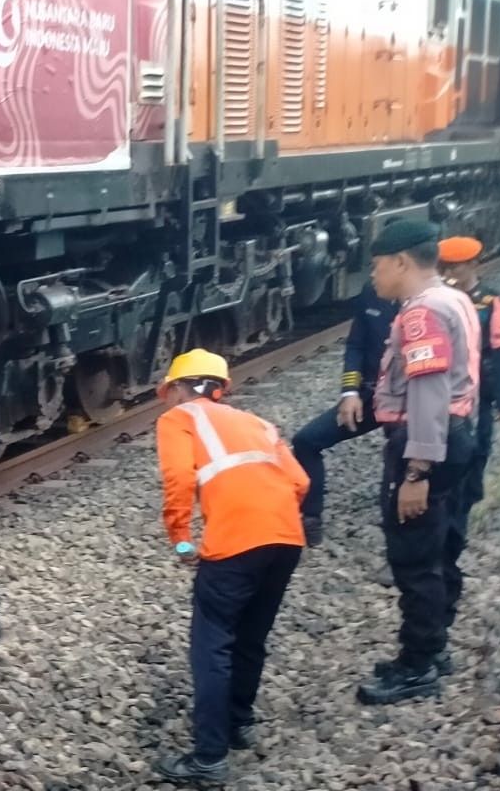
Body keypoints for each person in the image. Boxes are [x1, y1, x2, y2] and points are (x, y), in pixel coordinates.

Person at [149, 349, 309, 784]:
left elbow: (180, 478)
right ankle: (239, 723)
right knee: (250, 636)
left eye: (168, 392)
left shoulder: (179, 419)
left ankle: (208, 759)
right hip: (286, 538)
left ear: (181, 388)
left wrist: (181, 539)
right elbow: (300, 481)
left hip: (237, 542)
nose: (166, 401)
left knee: (212, 645)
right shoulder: (257, 422)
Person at [356, 219, 479, 706]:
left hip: (426, 441)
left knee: (414, 558)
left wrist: (415, 472)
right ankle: (434, 647)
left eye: (376, 265)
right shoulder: (455, 299)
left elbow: (428, 392)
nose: (373, 276)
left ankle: (418, 664)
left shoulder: (420, 314)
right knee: (439, 545)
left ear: (401, 261)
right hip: (457, 436)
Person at [290, 283, 398, 545]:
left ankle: (397, 542)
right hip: (369, 396)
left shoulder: (429, 301)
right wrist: (349, 392)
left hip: (406, 400)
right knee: (306, 440)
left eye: (378, 265)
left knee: (398, 462)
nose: (373, 274)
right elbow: (356, 345)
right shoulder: (372, 292)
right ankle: (310, 518)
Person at [437, 235, 500, 529]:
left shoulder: (492, 300)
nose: (450, 273)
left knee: (478, 444)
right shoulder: (439, 297)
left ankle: (468, 501)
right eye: (446, 266)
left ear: (474, 264)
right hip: (446, 384)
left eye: (457, 266)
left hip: (482, 387)